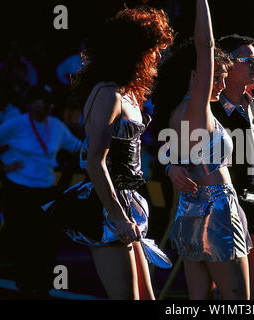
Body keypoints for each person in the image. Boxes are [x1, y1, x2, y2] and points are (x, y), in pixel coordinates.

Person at [167, 34, 254, 300]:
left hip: (251, 207)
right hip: (217, 210)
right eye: (249, 60)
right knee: (220, 294)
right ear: (227, 65)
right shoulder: (207, 107)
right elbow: (174, 139)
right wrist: (171, 165)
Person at [60, 6, 174, 300]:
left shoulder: (127, 93)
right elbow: (94, 162)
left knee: (147, 297)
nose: (156, 56)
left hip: (127, 200)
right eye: (151, 49)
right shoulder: (108, 93)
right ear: (133, 51)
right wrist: (119, 217)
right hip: (108, 207)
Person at [154, 0, 252, 300]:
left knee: (200, 299)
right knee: (239, 299)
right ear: (196, 75)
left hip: (190, 209)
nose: (221, 85)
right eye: (217, 76)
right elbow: (205, 44)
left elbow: (167, 151)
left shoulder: (178, 112)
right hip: (216, 212)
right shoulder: (196, 108)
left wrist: (170, 167)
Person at [0, 84, 82, 298]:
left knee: (47, 240)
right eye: (42, 100)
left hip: (45, 190)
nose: (47, 105)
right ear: (31, 104)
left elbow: (77, 147)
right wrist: (2, 165)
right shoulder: (17, 124)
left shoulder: (56, 126)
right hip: (18, 189)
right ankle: (25, 286)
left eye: (50, 101)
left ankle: (43, 287)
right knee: (23, 239)